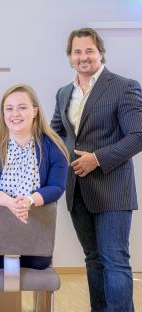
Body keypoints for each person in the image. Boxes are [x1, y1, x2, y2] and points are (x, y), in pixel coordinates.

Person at [51, 28, 142, 311]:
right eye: (77, 52)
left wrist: (97, 158)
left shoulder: (124, 86)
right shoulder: (64, 92)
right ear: (70, 58)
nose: (83, 57)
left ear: (101, 53)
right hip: (77, 189)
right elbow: (55, 134)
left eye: (89, 50)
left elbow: (137, 135)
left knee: (114, 259)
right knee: (92, 259)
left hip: (112, 187)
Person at [0, 84, 68, 269]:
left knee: (38, 262)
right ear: (3, 113)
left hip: (34, 227)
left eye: (22, 107)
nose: (15, 113)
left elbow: (56, 187)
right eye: (9, 108)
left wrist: (28, 201)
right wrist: (11, 203)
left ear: (35, 111)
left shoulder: (54, 145)